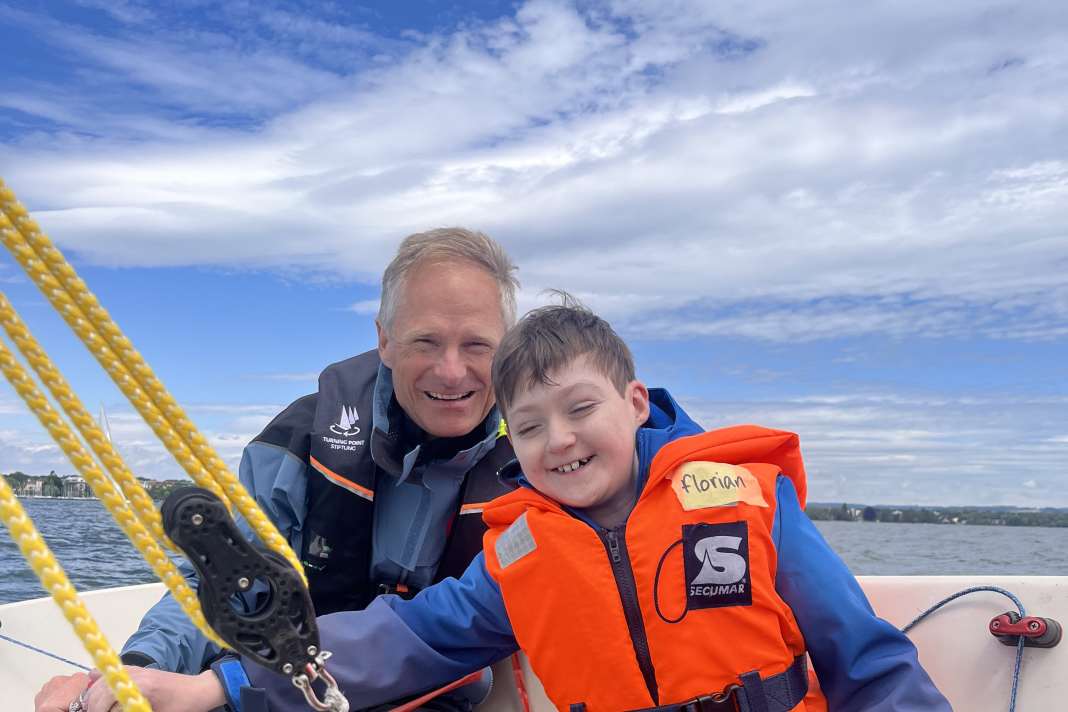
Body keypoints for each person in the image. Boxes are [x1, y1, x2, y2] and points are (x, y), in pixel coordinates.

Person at [78, 298, 952, 712]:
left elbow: (867, 662)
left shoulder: (750, 503)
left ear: (636, 402)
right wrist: (219, 689)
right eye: (529, 427)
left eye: (581, 410)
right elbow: (399, 644)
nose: (559, 442)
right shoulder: (519, 550)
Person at [34, 228, 520, 712]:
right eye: (427, 341)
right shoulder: (300, 440)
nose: (452, 371)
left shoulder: (536, 467)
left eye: (477, 345)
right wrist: (141, 667)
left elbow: (469, 620)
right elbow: (222, 578)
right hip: (276, 686)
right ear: (385, 340)